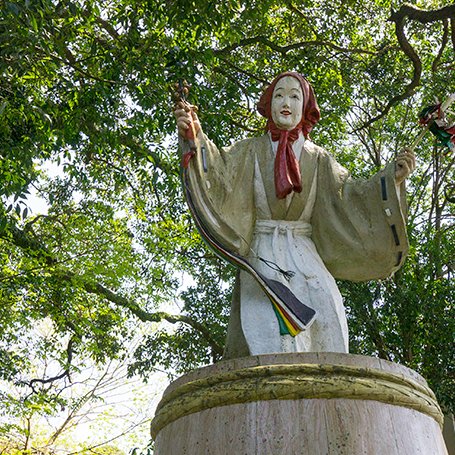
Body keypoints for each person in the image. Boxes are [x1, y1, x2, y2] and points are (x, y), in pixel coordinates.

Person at [174, 71, 414, 357]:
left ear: (306, 106)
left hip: (305, 255)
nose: (285, 102)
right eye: (278, 95)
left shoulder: (318, 158)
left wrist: (391, 178)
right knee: (265, 330)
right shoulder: (250, 150)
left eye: (294, 96)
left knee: (327, 318)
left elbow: (351, 196)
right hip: (262, 254)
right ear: (269, 103)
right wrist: (193, 134)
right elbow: (218, 168)